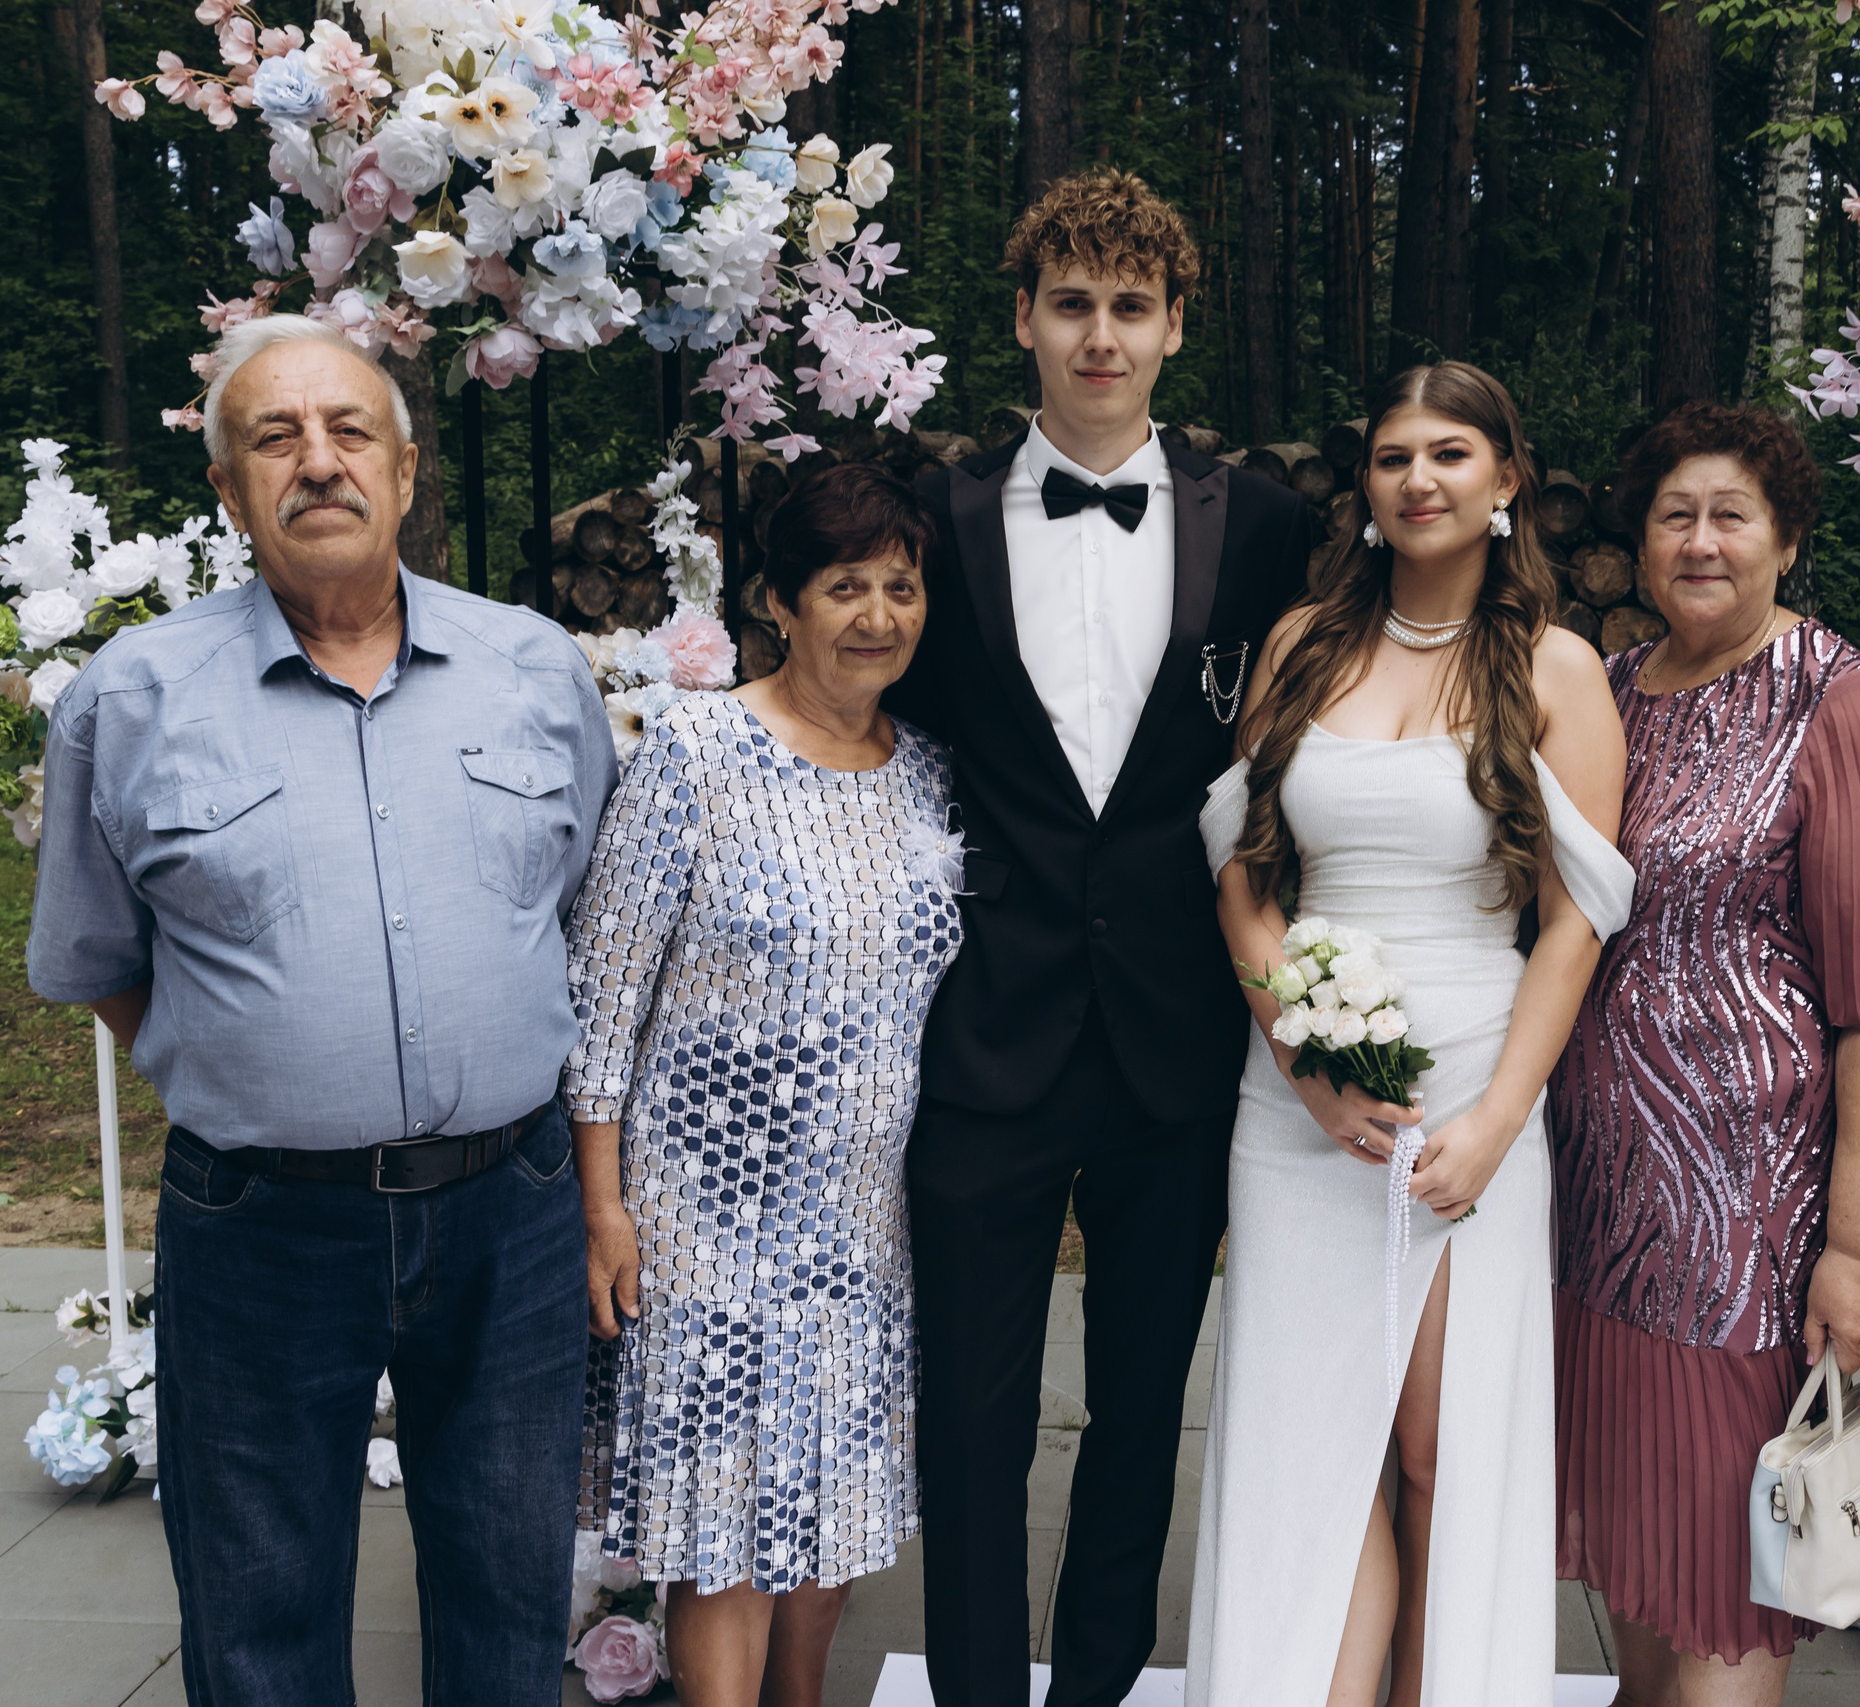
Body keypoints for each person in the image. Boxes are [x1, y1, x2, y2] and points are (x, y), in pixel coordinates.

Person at [25, 315, 615, 1707]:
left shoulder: (534, 669)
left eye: (350, 431)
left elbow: (578, 907)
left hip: (510, 1212)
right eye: (275, 437)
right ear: (228, 490)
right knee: (259, 1602)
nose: (319, 461)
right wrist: (265, 1066)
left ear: (407, 473)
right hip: (263, 1219)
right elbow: (104, 958)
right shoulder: (131, 700)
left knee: (510, 1590)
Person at [881, 168, 1316, 1707]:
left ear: (1174, 324)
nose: (1101, 336)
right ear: (1023, 319)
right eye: (1072, 303)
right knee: (975, 1411)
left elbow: (1289, 758)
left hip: (1173, 1032)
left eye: (1130, 307)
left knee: (1143, 1402)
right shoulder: (925, 523)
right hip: (980, 1027)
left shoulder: (1263, 527)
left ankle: (1101, 1683)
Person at [1188, 359, 1635, 1707]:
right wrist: (1299, 1053)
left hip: (1472, 1091)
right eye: (1394, 456)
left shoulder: (1557, 667)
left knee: (1440, 1449)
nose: (1421, 478)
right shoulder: (1303, 642)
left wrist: (1500, 1118)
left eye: (1452, 453)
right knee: (1319, 1438)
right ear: (1367, 486)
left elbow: (1576, 919)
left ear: (1506, 479)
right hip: (1299, 1111)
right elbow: (1242, 867)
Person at [1546, 400, 1860, 1707]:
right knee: (1650, 1573)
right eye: (1675, 515)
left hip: (1747, 1231)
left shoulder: (1845, 700)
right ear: (1640, 538)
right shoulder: (1608, 691)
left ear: (1786, 535)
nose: (1701, 541)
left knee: (1726, 1598)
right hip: (1595, 1210)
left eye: (1731, 515)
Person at [569, 462, 958, 1707]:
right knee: (723, 1528)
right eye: (845, 587)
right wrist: (604, 1209)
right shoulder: (697, 751)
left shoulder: (928, 773)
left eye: (901, 588)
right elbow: (603, 1000)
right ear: (778, 604)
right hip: (704, 1218)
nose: (877, 616)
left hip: (859, 1221)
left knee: (830, 1509)